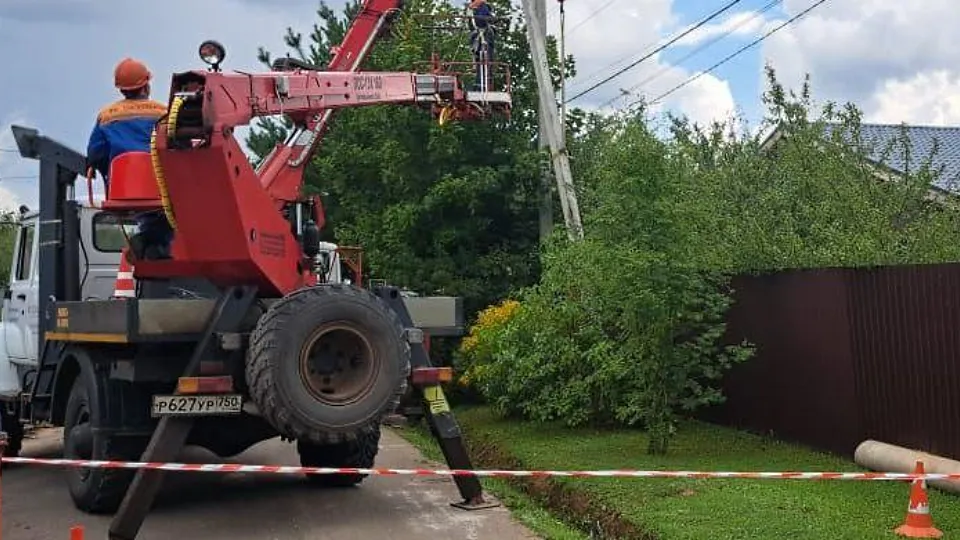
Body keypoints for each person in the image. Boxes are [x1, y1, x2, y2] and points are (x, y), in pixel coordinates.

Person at [86, 58, 172, 260]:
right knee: (166, 217)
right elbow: (174, 147)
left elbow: (95, 154)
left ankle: (149, 242)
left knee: (149, 216)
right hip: (160, 191)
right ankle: (155, 244)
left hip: (122, 192)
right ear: (146, 85)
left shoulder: (106, 116)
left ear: (121, 90)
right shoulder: (162, 112)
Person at [468, 0, 495, 91]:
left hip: (479, 37)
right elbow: (482, 20)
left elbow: (474, 23)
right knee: (485, 61)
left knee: (481, 62)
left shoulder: (472, 8)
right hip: (482, 37)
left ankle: (479, 85)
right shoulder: (480, 6)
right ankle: (481, 85)